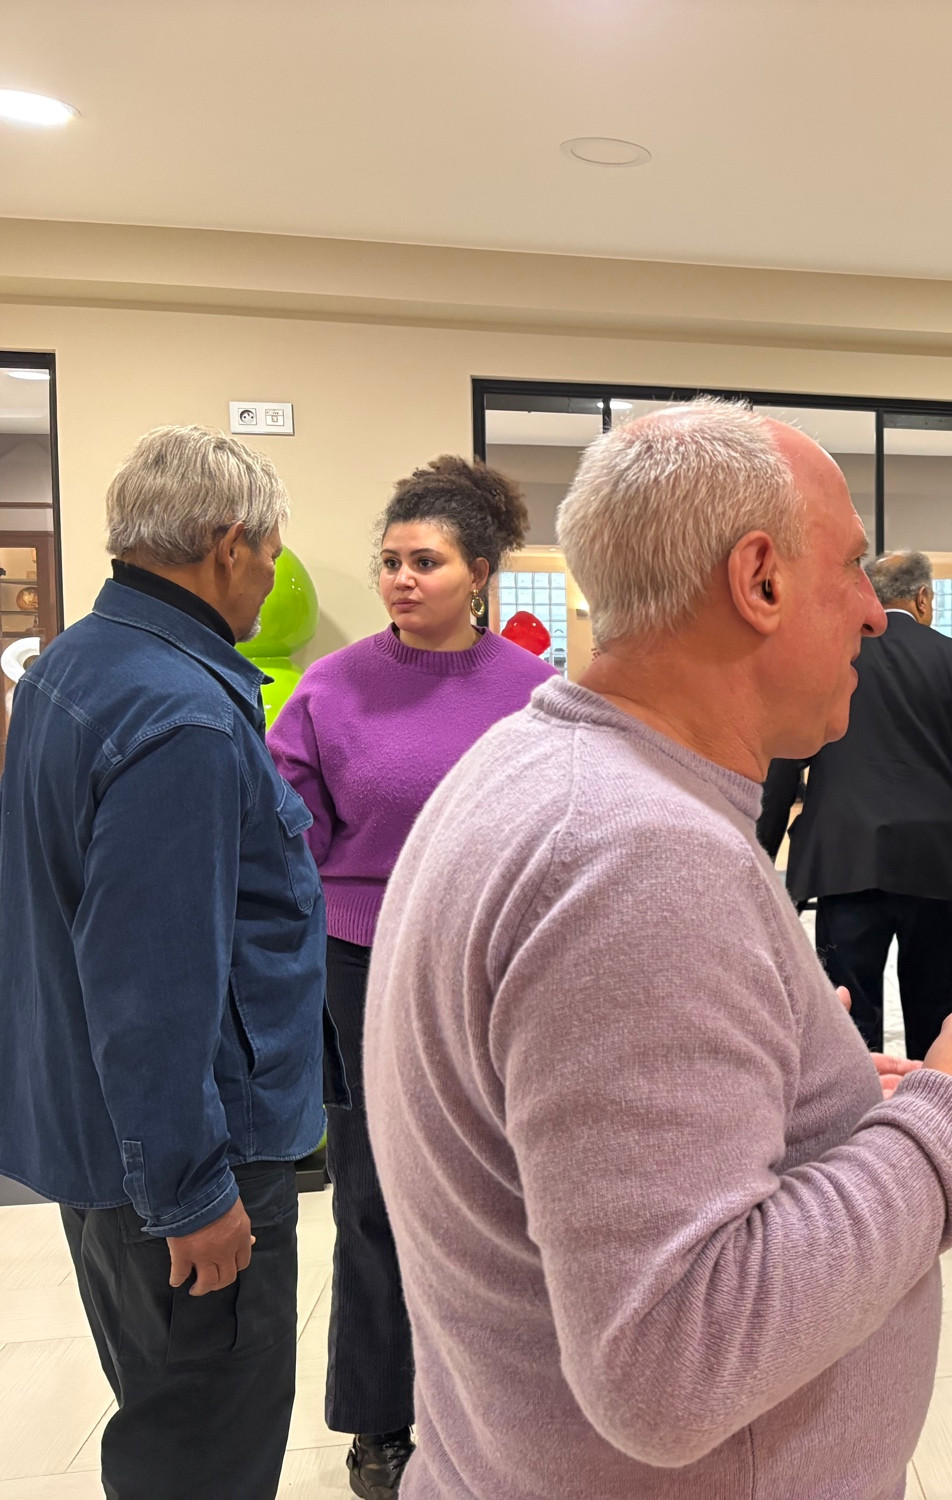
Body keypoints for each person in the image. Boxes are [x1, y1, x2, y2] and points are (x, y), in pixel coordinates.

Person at [365, 401, 952, 1500]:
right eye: (850, 569)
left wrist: (803, 1091)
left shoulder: (538, 767)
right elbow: (671, 1365)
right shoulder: (636, 856)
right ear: (760, 581)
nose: (875, 614)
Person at [0, 426, 328, 1500]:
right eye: (269, 553)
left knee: (166, 1406)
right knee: (205, 1446)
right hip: (188, 1156)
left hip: (108, 1138)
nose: (270, 575)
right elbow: (151, 982)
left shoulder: (73, 666)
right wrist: (190, 1193)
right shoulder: (180, 716)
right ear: (229, 545)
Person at [267, 456, 555, 1497]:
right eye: (389, 560)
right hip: (363, 960)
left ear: (480, 573)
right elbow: (282, 829)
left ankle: (507, 1403)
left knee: (507, 1186)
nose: (399, 578)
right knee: (376, 1193)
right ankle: (381, 1422)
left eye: (424, 562)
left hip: (494, 959)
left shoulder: (537, 694)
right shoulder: (331, 687)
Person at [757, 548, 952, 1059]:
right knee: (934, 1012)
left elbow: (784, 760)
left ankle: (854, 1107)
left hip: (845, 860)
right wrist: (944, 813)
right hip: (935, 864)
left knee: (848, 1013)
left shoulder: (833, 657)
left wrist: (762, 846)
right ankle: (931, 1105)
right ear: (923, 598)